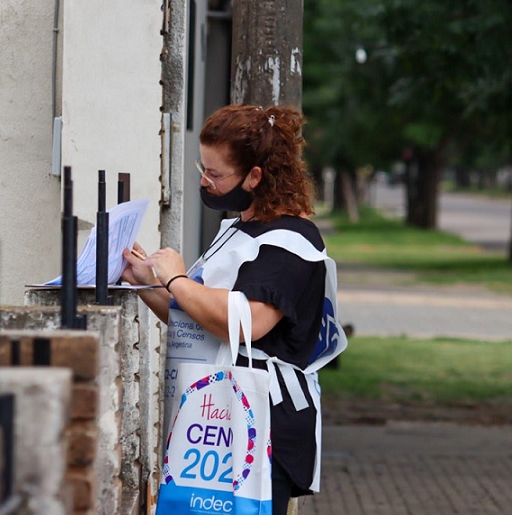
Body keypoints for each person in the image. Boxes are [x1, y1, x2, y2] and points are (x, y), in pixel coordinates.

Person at [122, 104, 346, 515]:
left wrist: (176, 279)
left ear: (255, 176)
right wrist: (143, 281)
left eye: (216, 174)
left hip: (263, 423)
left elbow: (249, 322)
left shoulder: (293, 240)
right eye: (201, 168)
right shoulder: (239, 229)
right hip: (218, 419)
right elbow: (198, 319)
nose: (204, 182)